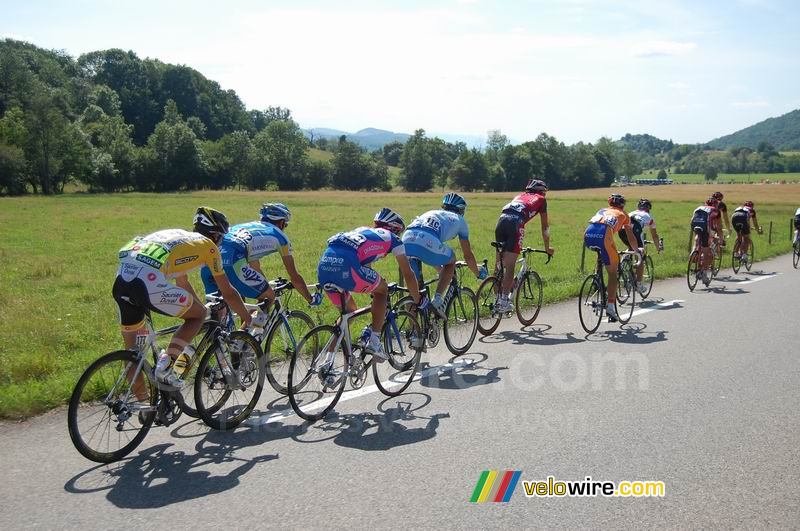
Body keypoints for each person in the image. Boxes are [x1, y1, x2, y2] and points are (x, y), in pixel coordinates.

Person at [113, 207, 251, 388]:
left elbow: (183, 283)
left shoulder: (181, 239)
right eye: (222, 238)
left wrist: (199, 308)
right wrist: (247, 319)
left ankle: (144, 408)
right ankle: (167, 362)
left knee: (133, 354)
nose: (221, 242)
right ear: (216, 236)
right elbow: (228, 292)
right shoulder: (209, 247)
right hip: (146, 283)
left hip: (121, 281)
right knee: (198, 314)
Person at [317, 208, 422, 360]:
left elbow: (366, 265)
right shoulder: (394, 239)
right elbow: (408, 273)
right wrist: (417, 298)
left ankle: (327, 361)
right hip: (347, 267)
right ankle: (374, 341)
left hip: (324, 267)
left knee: (350, 312)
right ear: (395, 229)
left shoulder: (362, 232)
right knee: (382, 290)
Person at [201, 203, 321, 312]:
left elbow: (255, 268)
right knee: (269, 296)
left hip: (210, 260)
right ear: (281, 223)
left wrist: (264, 286)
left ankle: (220, 332)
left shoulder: (249, 228)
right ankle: (246, 334)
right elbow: (294, 276)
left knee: (219, 315)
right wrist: (310, 299)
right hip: (233, 261)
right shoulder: (281, 237)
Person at [401, 193, 488, 317]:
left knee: (413, 292)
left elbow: (430, 250)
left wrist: (440, 270)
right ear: (461, 210)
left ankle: (415, 333)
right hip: (428, 240)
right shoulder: (460, 221)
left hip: (407, 238)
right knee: (451, 260)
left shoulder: (433, 212)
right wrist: (478, 273)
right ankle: (437, 298)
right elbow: (468, 256)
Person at [492, 178, 554, 313]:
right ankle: (503, 302)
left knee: (499, 264)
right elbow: (545, 227)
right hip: (515, 223)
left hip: (501, 221)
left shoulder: (519, 196)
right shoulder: (541, 200)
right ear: (541, 191)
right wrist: (547, 247)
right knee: (510, 266)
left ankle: (496, 299)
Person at [583, 194, 640, 322]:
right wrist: (636, 251)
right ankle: (610, 307)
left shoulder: (602, 210)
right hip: (604, 236)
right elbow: (630, 237)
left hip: (588, 234)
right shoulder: (625, 215)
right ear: (623, 205)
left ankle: (597, 277)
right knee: (613, 273)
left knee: (602, 252)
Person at [619, 198, 663, 296]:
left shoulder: (631, 213)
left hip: (622, 231)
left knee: (631, 246)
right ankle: (638, 284)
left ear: (638, 207)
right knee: (640, 254)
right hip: (635, 230)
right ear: (648, 209)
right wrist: (658, 248)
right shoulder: (648, 216)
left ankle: (625, 258)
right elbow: (654, 236)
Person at [690, 198, 722, 282]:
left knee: (698, 238)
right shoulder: (715, 210)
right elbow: (719, 227)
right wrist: (721, 239)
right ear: (715, 205)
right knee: (706, 251)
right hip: (705, 226)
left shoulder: (699, 207)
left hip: (694, 224)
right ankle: (703, 273)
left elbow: (692, 219)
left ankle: (694, 252)